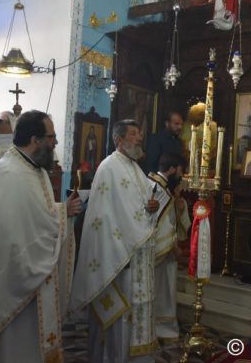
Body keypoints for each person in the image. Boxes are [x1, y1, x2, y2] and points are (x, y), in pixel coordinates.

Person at [0, 110, 82, 363]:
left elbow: (36, 215)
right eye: (52, 137)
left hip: (31, 280)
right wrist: (62, 213)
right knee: (13, 347)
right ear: (35, 140)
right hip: (13, 279)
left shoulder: (33, 169)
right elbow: (19, 232)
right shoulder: (10, 173)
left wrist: (60, 211)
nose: (55, 142)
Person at [70, 119, 164, 363]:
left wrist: (152, 207)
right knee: (118, 317)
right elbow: (113, 214)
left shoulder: (134, 167)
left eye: (139, 133)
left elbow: (142, 204)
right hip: (118, 256)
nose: (139, 137)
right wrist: (142, 221)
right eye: (133, 134)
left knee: (134, 311)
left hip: (136, 254)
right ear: (119, 140)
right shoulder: (109, 167)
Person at [148, 153, 190, 344]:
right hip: (159, 252)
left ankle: (160, 328)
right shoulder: (157, 188)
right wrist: (172, 246)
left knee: (163, 291)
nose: (181, 175)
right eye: (180, 170)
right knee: (158, 291)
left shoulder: (162, 188)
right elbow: (157, 224)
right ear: (172, 169)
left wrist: (180, 208)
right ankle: (156, 328)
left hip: (164, 253)